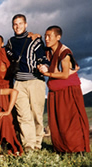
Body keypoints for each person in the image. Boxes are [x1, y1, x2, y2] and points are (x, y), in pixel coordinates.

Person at [38, 25, 90, 153]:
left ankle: (78, 150)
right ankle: (62, 149)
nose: (46, 38)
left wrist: (47, 74)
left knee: (71, 122)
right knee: (58, 122)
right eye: (45, 35)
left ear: (58, 37)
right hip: (55, 91)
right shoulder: (49, 50)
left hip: (69, 90)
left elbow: (65, 74)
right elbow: (37, 39)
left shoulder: (64, 53)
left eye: (49, 36)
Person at [6, 14, 49, 152]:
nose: (17, 26)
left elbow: (42, 56)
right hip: (18, 82)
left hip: (35, 81)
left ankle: (37, 143)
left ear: (26, 25)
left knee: (36, 113)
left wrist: (44, 66)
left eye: (20, 23)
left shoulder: (34, 40)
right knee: (23, 115)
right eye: (15, 24)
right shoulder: (11, 42)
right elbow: (2, 50)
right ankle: (28, 145)